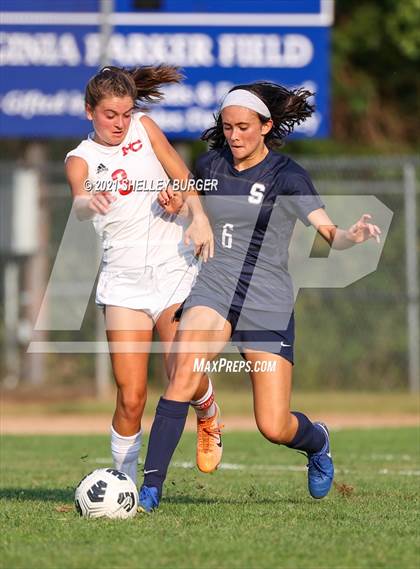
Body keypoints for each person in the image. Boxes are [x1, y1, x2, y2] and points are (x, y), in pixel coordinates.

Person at [137, 82, 382, 511]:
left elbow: (329, 233)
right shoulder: (211, 163)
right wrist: (178, 204)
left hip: (266, 299)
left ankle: (317, 441)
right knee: (182, 375)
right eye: (228, 127)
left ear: (266, 126)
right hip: (214, 287)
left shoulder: (287, 175)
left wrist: (352, 235)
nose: (234, 136)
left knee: (273, 425)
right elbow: (194, 203)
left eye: (244, 127)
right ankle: (150, 489)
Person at [65, 65, 224, 485]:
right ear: (89, 112)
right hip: (123, 283)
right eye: (109, 115)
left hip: (174, 269)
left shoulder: (144, 128)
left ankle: (208, 412)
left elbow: (183, 177)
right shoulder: (81, 159)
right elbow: (79, 202)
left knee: (182, 372)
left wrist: (192, 211)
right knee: (131, 396)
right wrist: (90, 202)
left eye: (125, 113)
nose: (119, 123)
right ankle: (124, 484)